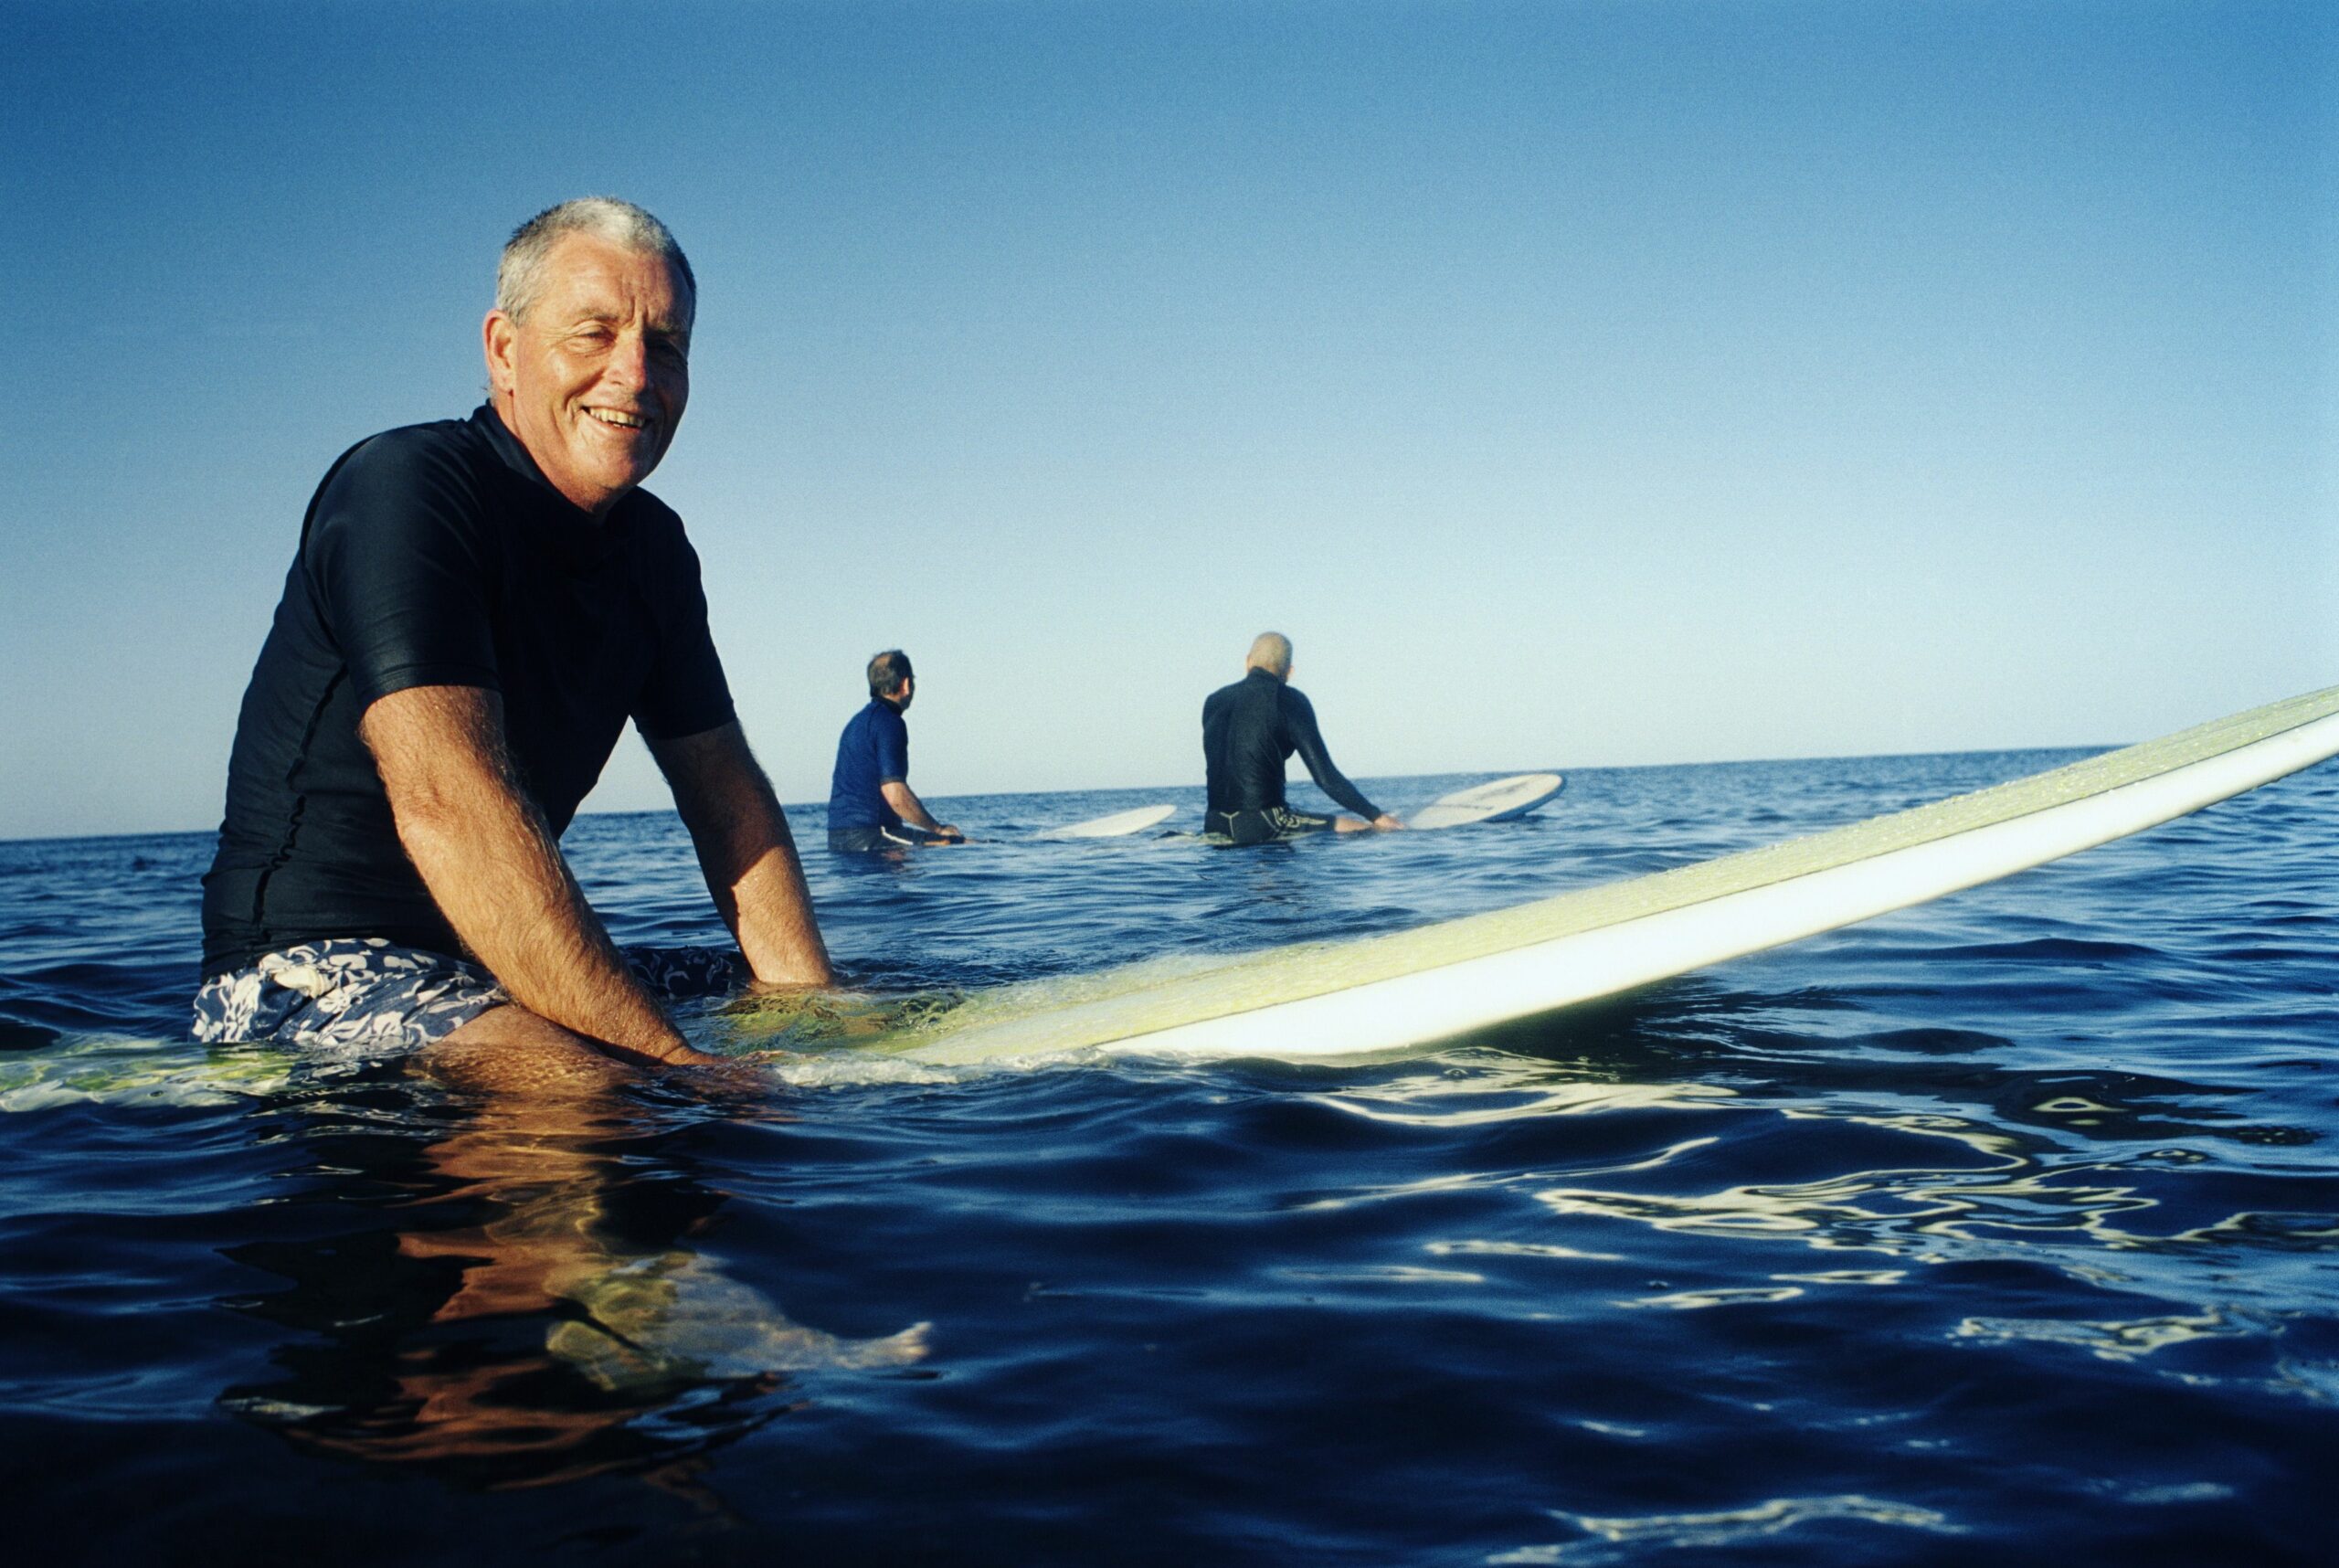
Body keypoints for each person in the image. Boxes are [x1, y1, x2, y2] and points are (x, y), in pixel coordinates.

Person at [195, 198, 834, 1089]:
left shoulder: (653, 551)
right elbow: (448, 800)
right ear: (504, 348)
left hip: (487, 965)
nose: (635, 374)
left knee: (827, 994)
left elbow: (728, 801)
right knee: (590, 1089)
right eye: (594, 334)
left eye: (668, 344)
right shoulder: (408, 491)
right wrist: (678, 1070)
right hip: (299, 972)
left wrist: (818, 1008)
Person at [1201, 632, 1404, 844]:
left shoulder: (1214, 701)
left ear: (1248, 661)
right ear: (1289, 671)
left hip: (1214, 824)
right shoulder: (1290, 699)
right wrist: (1376, 816)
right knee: (1365, 829)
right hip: (1264, 823)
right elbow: (1326, 777)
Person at [826, 650, 965, 851]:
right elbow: (895, 794)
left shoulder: (855, 723)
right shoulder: (889, 722)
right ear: (906, 684)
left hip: (839, 840)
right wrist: (938, 829)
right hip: (872, 836)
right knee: (959, 845)